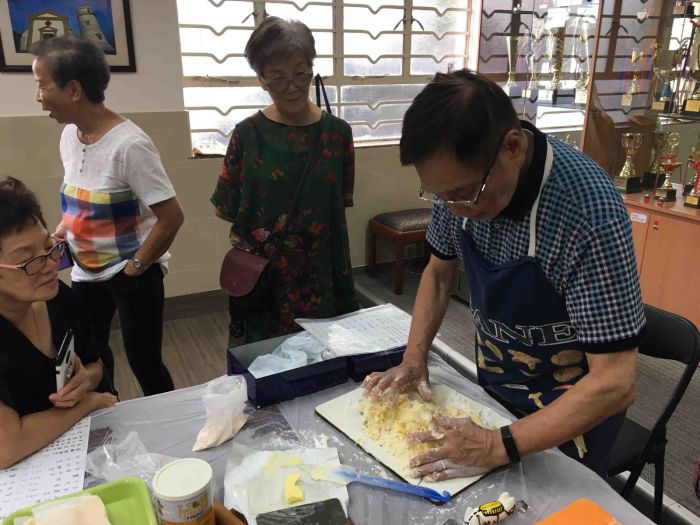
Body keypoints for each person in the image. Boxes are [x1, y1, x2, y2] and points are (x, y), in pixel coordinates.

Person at [364, 70, 644, 479]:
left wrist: (497, 445)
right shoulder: (458, 188)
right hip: (497, 389)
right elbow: (438, 275)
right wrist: (414, 357)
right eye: (440, 196)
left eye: (465, 195)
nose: (453, 208)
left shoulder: (587, 211)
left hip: (574, 413)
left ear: (512, 147)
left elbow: (615, 381)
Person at [31, 37, 185, 396]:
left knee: (144, 360)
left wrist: (134, 269)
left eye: (42, 85)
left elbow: (172, 217)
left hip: (131, 274)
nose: (38, 97)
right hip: (86, 272)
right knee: (93, 356)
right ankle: (108, 414)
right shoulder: (70, 136)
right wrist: (60, 233)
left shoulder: (130, 145)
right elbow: (80, 201)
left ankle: (172, 418)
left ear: (73, 90)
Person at [211, 17, 357, 345]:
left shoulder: (338, 134)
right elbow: (225, 207)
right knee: (266, 361)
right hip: (265, 279)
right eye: (278, 78)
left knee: (326, 357)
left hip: (323, 276)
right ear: (262, 80)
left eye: (300, 74)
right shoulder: (247, 135)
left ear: (311, 70)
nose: (292, 87)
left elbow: (339, 205)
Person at [0, 177, 117, 468]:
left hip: (84, 446)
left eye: (49, 247)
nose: (51, 264)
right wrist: (87, 402)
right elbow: (8, 447)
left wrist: (86, 380)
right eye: (28, 261)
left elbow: (96, 362)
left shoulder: (57, 297)